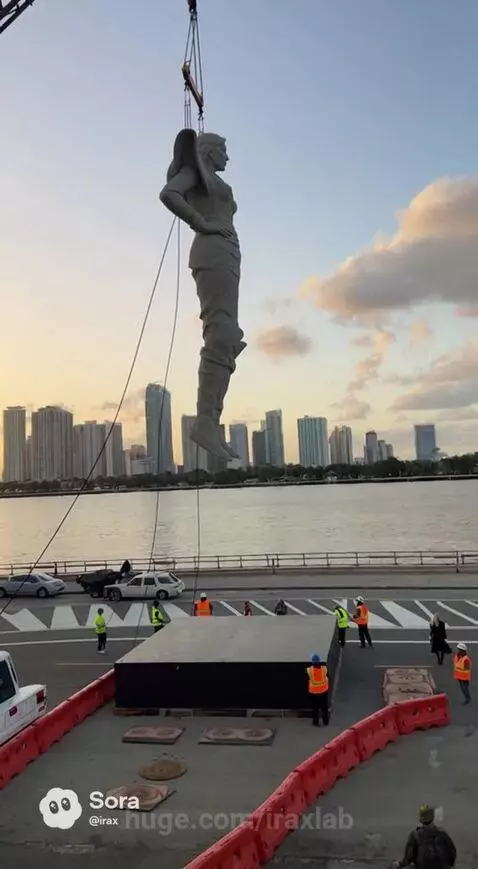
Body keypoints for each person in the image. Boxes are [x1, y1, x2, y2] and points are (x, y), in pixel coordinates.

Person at [160, 129, 245, 461]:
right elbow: (169, 194)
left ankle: (211, 419)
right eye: (224, 151)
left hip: (227, 252)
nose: (228, 157)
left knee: (227, 337)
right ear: (209, 152)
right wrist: (200, 223)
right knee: (220, 331)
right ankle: (204, 422)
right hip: (211, 250)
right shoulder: (194, 171)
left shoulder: (209, 175)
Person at [392, 804, 456, 868]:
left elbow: (409, 857)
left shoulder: (415, 835)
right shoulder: (442, 834)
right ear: (432, 818)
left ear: (420, 819)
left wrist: (400, 864)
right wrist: (449, 865)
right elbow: (452, 852)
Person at [306, 653, 329, 727]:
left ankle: (315, 722)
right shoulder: (324, 669)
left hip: (314, 692)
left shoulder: (309, 670)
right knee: (324, 707)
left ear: (312, 662)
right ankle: (325, 721)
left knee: (315, 708)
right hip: (323, 690)